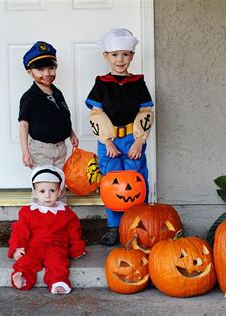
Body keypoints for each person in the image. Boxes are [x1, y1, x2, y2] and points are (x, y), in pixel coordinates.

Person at [85, 28, 155, 246]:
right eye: (115, 55)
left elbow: (145, 113)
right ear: (106, 56)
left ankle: (137, 225)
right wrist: (106, 140)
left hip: (132, 139)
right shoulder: (102, 83)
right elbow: (96, 114)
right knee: (112, 182)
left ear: (132, 56)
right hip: (110, 141)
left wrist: (139, 140)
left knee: (136, 180)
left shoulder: (137, 83)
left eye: (125, 54)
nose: (120, 59)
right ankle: (114, 226)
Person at [8, 165, 86, 294]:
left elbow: (74, 232)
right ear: (35, 193)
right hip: (34, 245)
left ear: (59, 192)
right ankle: (22, 277)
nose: (48, 195)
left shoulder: (66, 213)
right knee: (26, 261)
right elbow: (19, 231)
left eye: (52, 191)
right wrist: (17, 247)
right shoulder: (28, 212)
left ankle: (57, 281)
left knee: (58, 263)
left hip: (57, 246)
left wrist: (76, 249)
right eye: (42, 191)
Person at [19, 41, 79, 170]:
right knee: (44, 184)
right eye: (40, 70)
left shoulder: (57, 93)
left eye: (51, 68)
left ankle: (59, 191)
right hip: (41, 150)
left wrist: (71, 133)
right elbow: (23, 125)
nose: (47, 73)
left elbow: (63, 116)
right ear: (30, 73)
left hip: (61, 147)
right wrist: (25, 152)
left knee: (59, 182)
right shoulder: (29, 98)